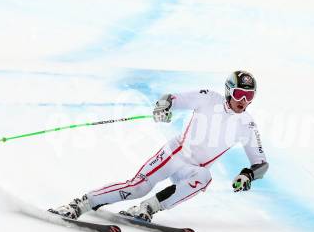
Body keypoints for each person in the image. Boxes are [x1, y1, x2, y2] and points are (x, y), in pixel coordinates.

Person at [49, 70, 269, 222]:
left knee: (204, 176)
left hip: (192, 169)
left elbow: (261, 163)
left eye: (250, 96)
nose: (244, 101)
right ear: (229, 91)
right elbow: (170, 98)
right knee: (137, 188)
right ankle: (81, 204)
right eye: (240, 94)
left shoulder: (246, 125)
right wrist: (163, 107)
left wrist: (248, 175)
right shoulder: (208, 98)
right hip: (175, 154)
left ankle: (148, 208)